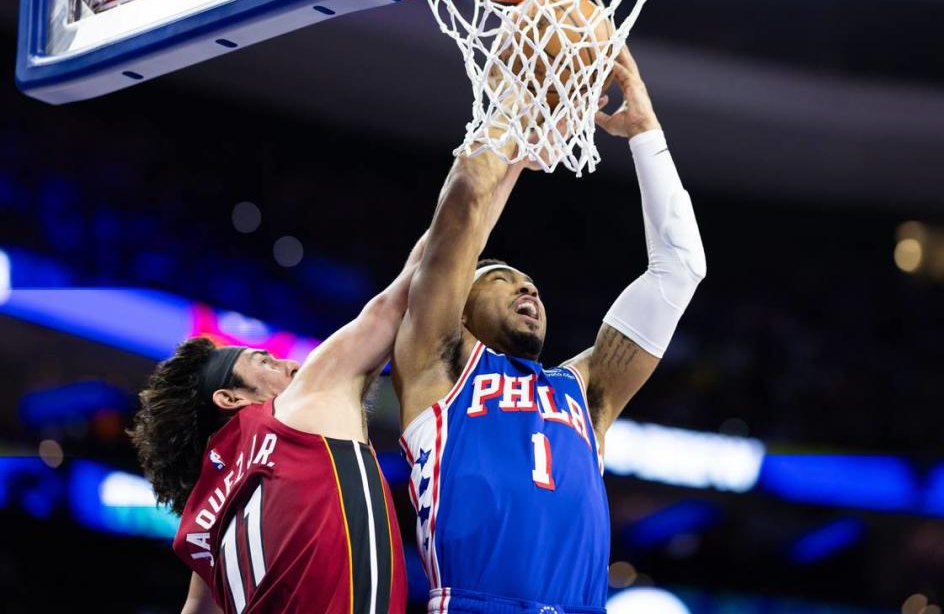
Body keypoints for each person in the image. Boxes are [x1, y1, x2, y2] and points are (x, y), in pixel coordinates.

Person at [392, 47, 707, 613]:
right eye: (503, 278)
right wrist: (515, 98)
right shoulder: (437, 366)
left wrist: (645, 132)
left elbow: (681, 268)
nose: (528, 289)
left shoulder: (584, 392)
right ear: (458, 306)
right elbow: (465, 198)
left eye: (532, 283)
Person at [129, 236, 430, 614]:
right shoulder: (282, 417)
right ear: (231, 398)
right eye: (265, 362)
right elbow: (395, 303)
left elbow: (196, 606)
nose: (291, 365)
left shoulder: (205, 521)